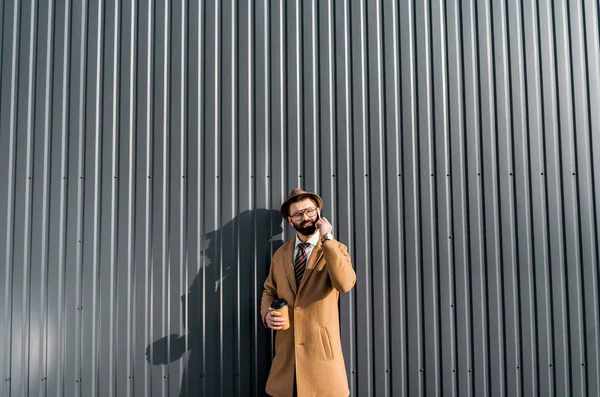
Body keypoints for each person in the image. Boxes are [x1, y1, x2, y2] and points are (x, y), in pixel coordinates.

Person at [261, 188, 356, 397]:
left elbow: (345, 283)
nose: (305, 217)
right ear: (290, 219)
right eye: (298, 214)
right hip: (287, 360)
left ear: (319, 212)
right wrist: (267, 313)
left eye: (310, 211)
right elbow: (270, 290)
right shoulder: (281, 254)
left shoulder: (335, 249)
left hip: (321, 359)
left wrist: (327, 239)